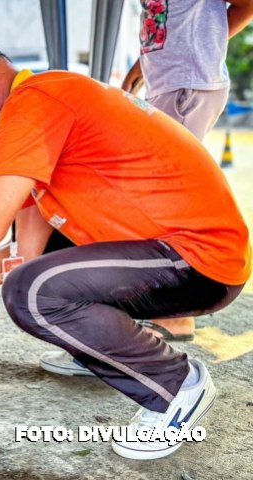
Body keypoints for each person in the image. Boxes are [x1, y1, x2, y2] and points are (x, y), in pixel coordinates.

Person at [0, 39, 251, 460]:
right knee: (35, 272)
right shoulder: (41, 114)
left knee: (35, 293)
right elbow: (17, 255)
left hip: (201, 261)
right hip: (178, 255)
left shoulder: (36, 99)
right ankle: (102, 350)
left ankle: (176, 385)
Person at [120, 0, 253, 341]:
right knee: (154, 192)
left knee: (162, 196)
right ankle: (169, 307)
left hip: (188, 83)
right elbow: (166, 25)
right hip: (173, 82)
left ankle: (175, 313)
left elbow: (245, 5)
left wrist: (204, 47)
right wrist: (142, 67)